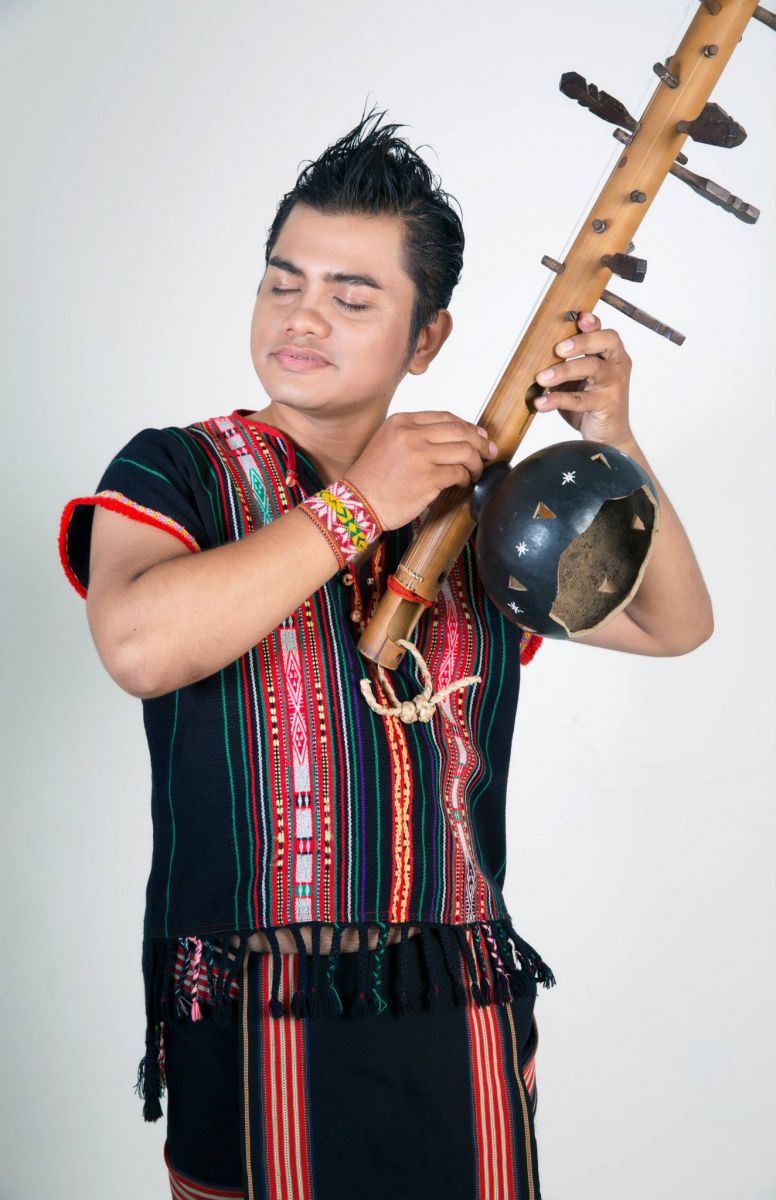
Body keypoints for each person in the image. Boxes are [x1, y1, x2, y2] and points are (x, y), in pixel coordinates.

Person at [57, 106, 713, 1199]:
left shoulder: (474, 508)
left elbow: (669, 624)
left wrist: (613, 438)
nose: (302, 316)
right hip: (254, 1015)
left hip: (458, 1013)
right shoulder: (176, 469)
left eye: (351, 297)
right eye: (283, 282)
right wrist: (359, 504)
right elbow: (137, 644)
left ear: (426, 340)